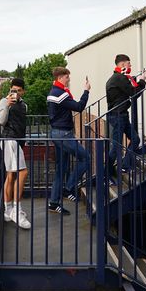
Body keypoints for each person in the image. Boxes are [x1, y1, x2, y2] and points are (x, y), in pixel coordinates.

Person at [47, 67, 90, 215]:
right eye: (67, 77)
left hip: (57, 133)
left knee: (61, 170)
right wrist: (86, 91)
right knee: (86, 158)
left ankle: (53, 203)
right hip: (63, 135)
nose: (69, 80)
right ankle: (69, 187)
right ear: (60, 78)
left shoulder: (54, 92)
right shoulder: (60, 94)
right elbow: (79, 107)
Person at [0, 78, 31, 229]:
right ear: (10, 90)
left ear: (22, 91)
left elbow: (22, 124)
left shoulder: (24, 105)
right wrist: (7, 107)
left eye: (18, 90)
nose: (15, 93)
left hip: (18, 142)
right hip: (9, 140)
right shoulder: (4, 102)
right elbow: (1, 122)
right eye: (13, 90)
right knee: (23, 173)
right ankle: (16, 210)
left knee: (11, 175)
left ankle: (8, 209)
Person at [105, 54, 146, 178]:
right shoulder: (119, 78)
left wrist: (136, 82)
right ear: (122, 65)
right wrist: (142, 81)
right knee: (116, 146)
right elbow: (134, 93)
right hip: (118, 116)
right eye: (129, 63)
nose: (131, 66)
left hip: (121, 115)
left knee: (135, 139)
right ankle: (107, 171)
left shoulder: (120, 78)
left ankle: (124, 165)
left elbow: (130, 91)